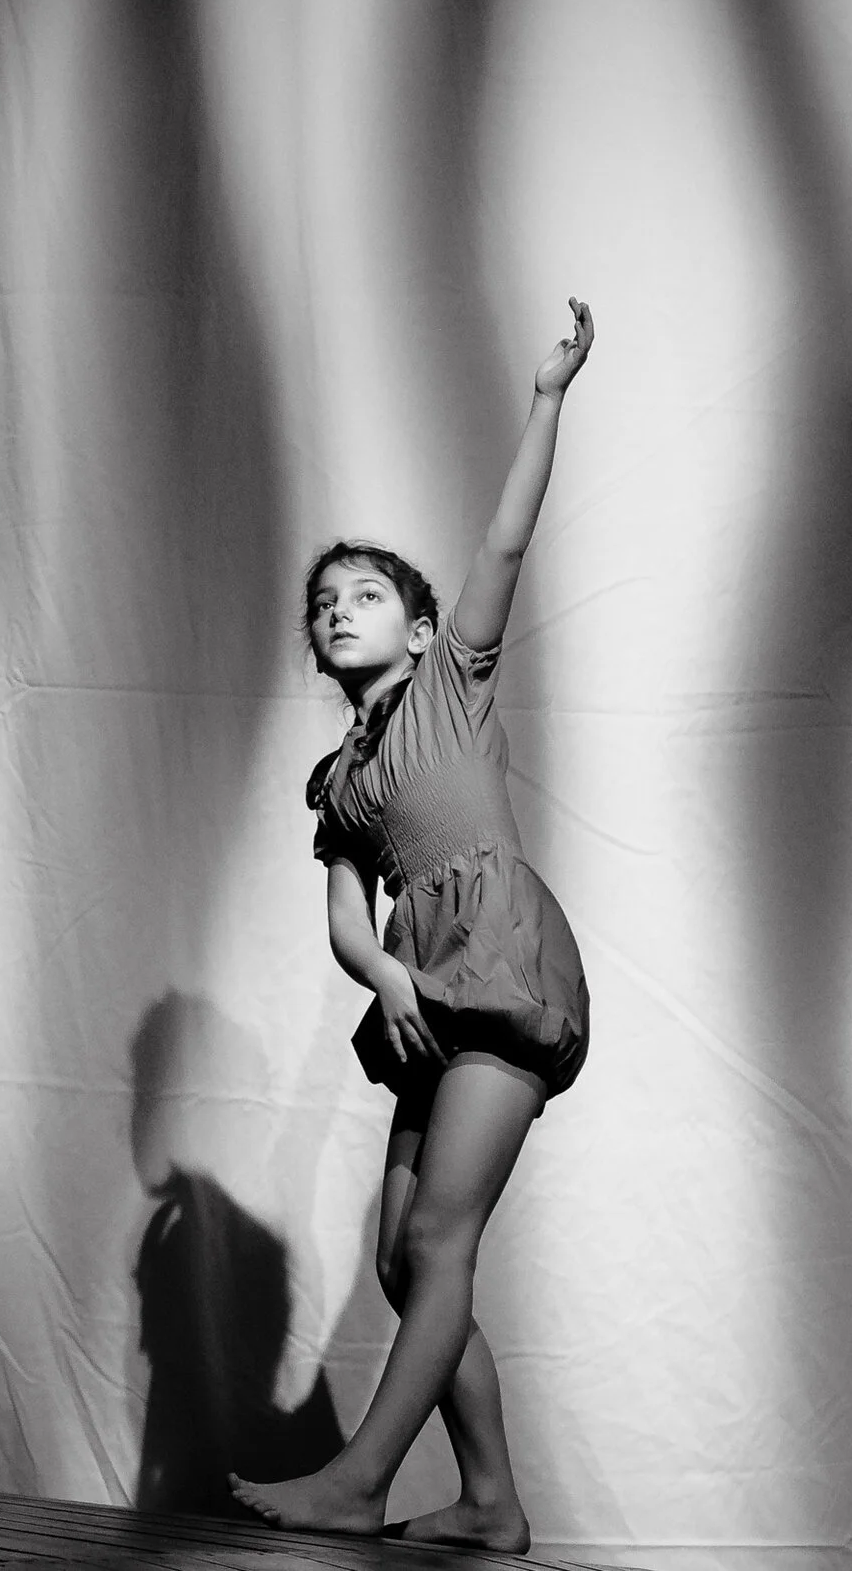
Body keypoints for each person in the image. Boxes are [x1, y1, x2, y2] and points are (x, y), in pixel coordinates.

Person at [229, 300, 597, 1548]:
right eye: (324, 602)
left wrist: (545, 396)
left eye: (367, 592)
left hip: (499, 957)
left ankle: (359, 1481)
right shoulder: (337, 781)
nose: (339, 609)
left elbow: (504, 538)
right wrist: (385, 977)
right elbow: (345, 915)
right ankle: (491, 1502)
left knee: (441, 1237)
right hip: (424, 984)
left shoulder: (453, 679)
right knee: (403, 1256)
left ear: (422, 628)